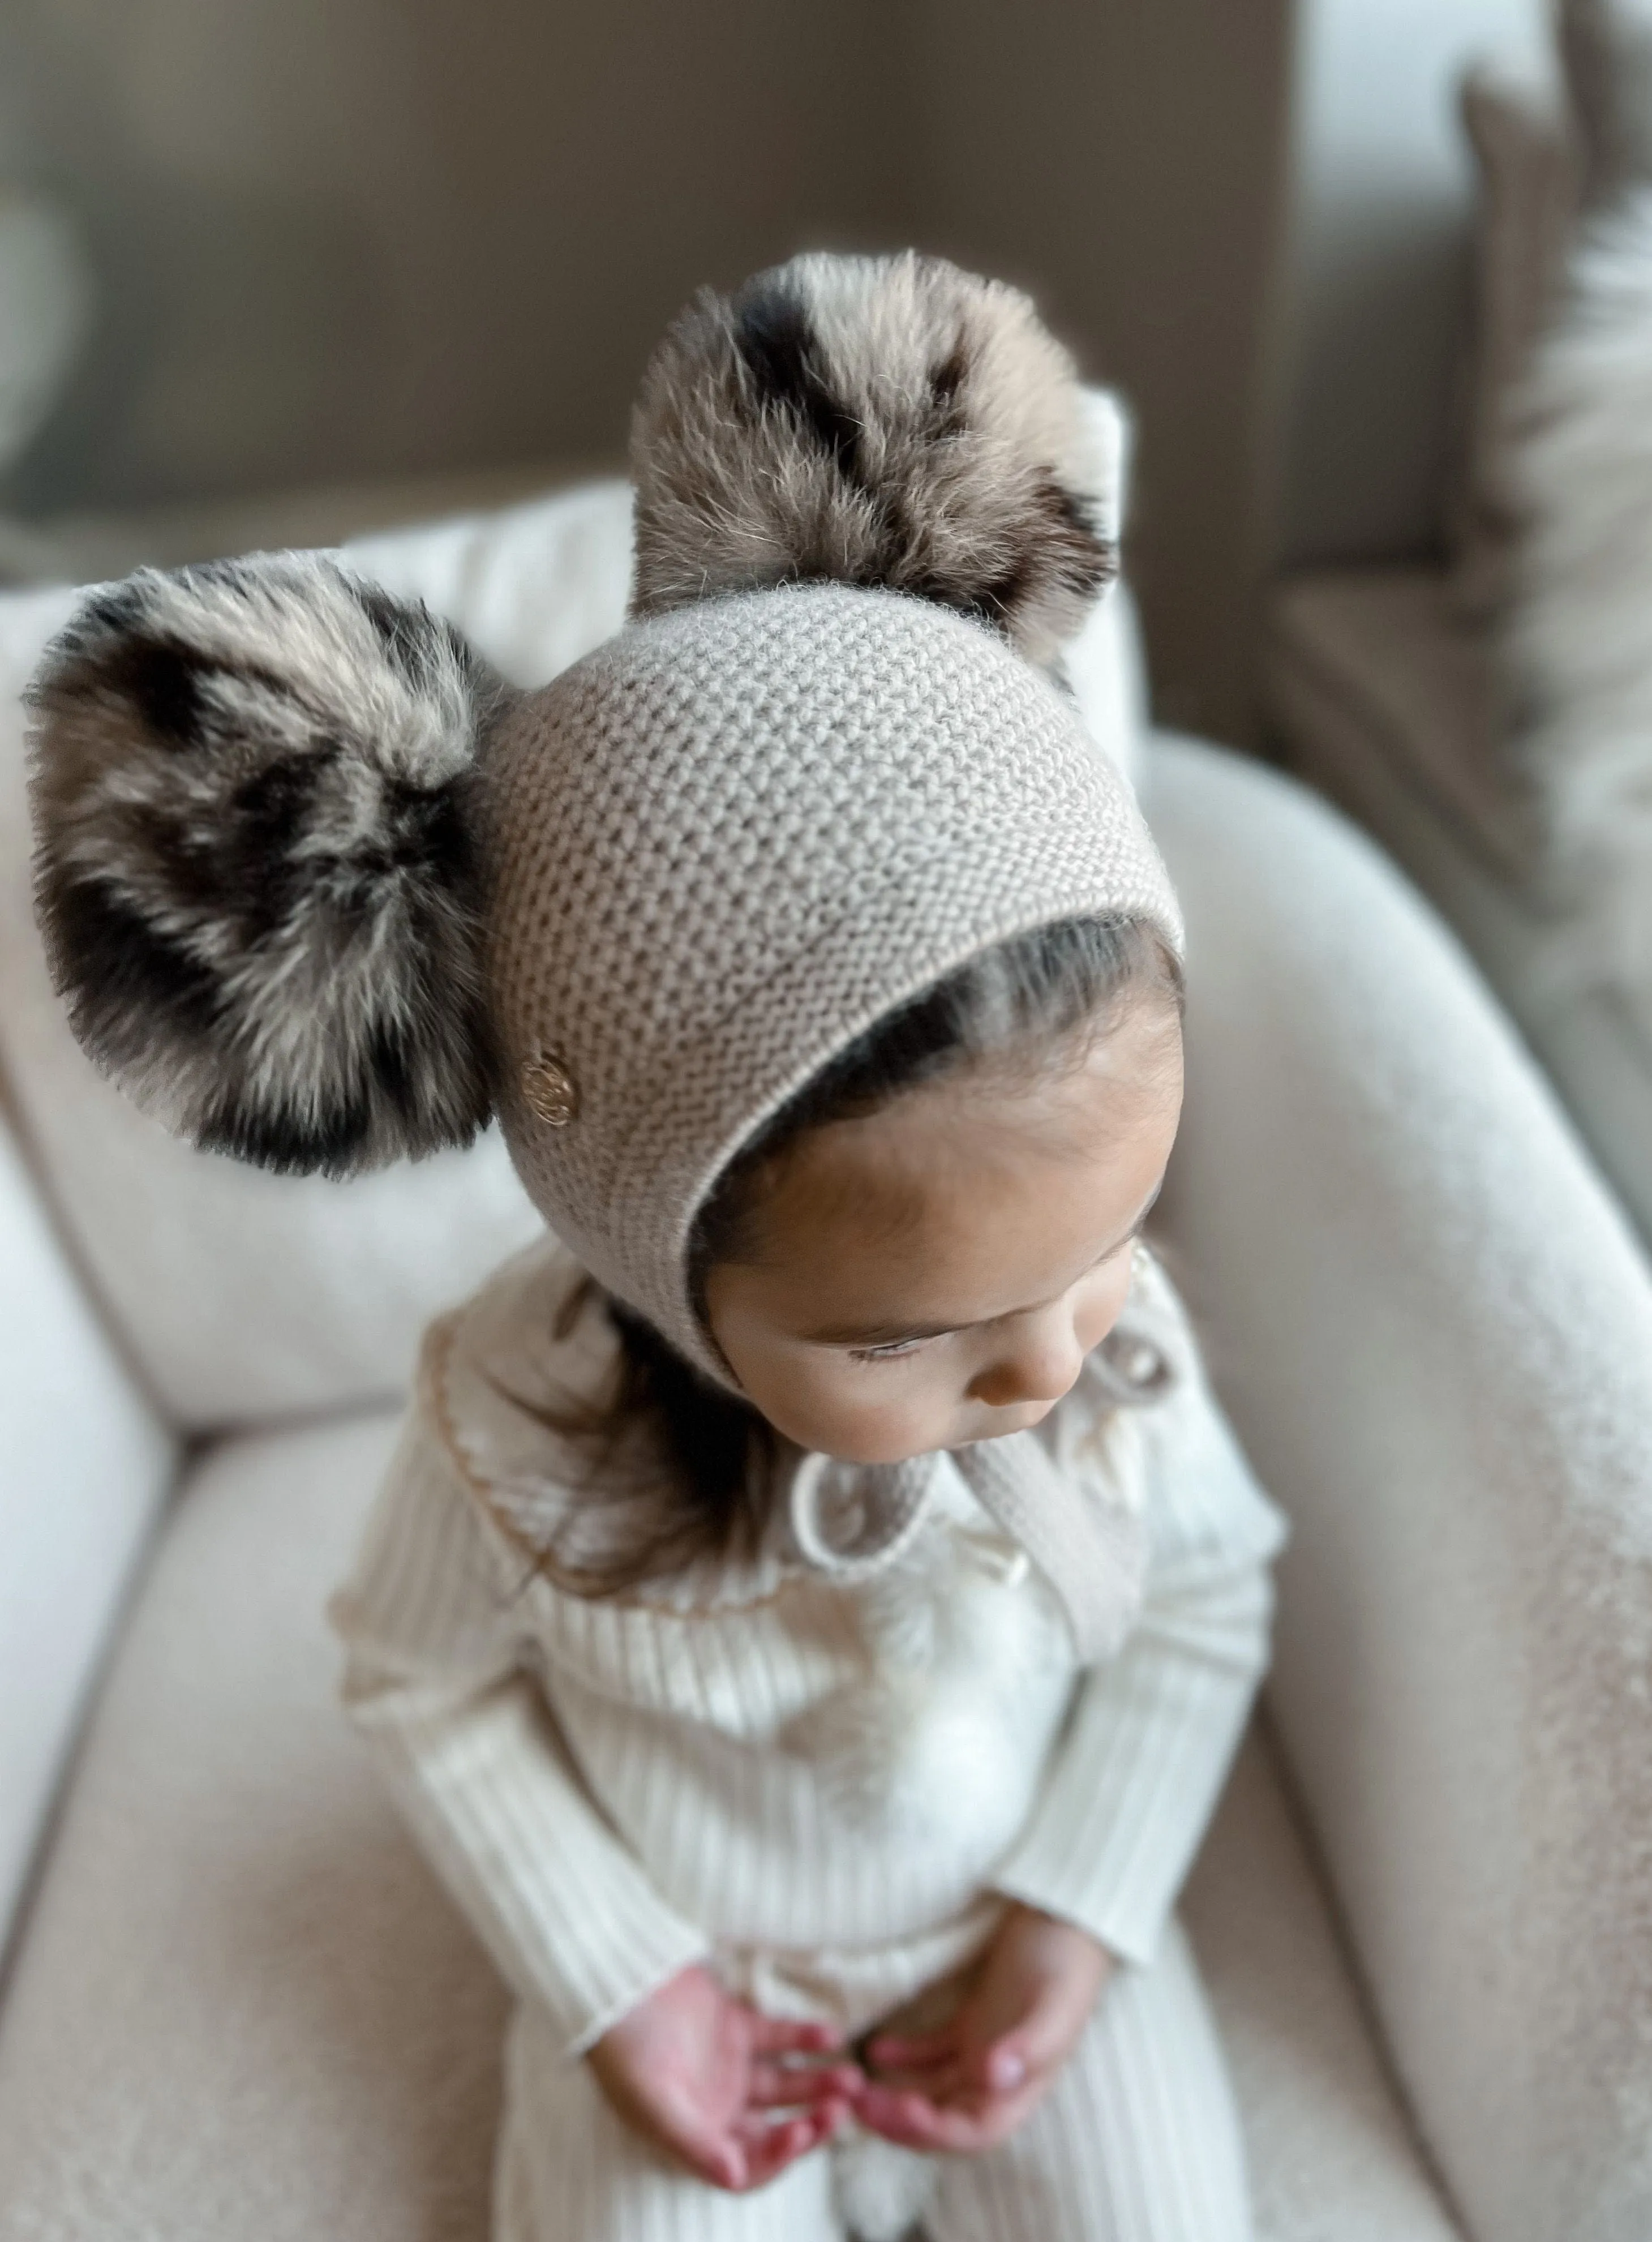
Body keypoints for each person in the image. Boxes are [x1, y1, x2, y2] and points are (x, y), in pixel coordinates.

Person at [27, 251, 1286, 2242]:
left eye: (1114, 1233)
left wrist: (1074, 1920)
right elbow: (418, 1683)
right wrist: (621, 1981)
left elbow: (1200, 1604)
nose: (1051, 1368)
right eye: (911, 1335)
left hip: (998, 1929)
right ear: (656, 1261)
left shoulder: (1110, 1365)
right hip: (691, 1968)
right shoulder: (507, 1426)